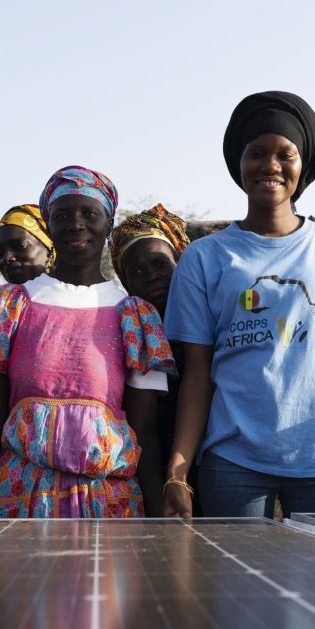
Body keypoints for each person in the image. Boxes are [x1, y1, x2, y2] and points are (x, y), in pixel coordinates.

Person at [163, 91, 315, 520]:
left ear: (303, 165)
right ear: (239, 163)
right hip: (233, 461)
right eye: (256, 153)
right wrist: (178, 473)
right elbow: (196, 377)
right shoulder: (204, 257)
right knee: (236, 584)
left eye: (284, 154)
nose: (270, 166)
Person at [0, 166, 175, 519]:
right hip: (19, 502)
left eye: (89, 213)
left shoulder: (135, 317)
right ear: (48, 225)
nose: (76, 224)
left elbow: (145, 431)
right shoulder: (11, 305)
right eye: (62, 215)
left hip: (110, 507)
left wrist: (157, 518)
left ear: (108, 222)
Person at [108, 203, 191, 481]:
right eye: (137, 271)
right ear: (126, 282)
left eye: (159, 263)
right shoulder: (121, 334)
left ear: (179, 262)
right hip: (148, 468)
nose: (152, 274)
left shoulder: (210, 322)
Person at [0, 203, 53, 284]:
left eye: (20, 246)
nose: (7, 258)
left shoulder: (71, 295)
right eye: (0, 253)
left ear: (50, 252)